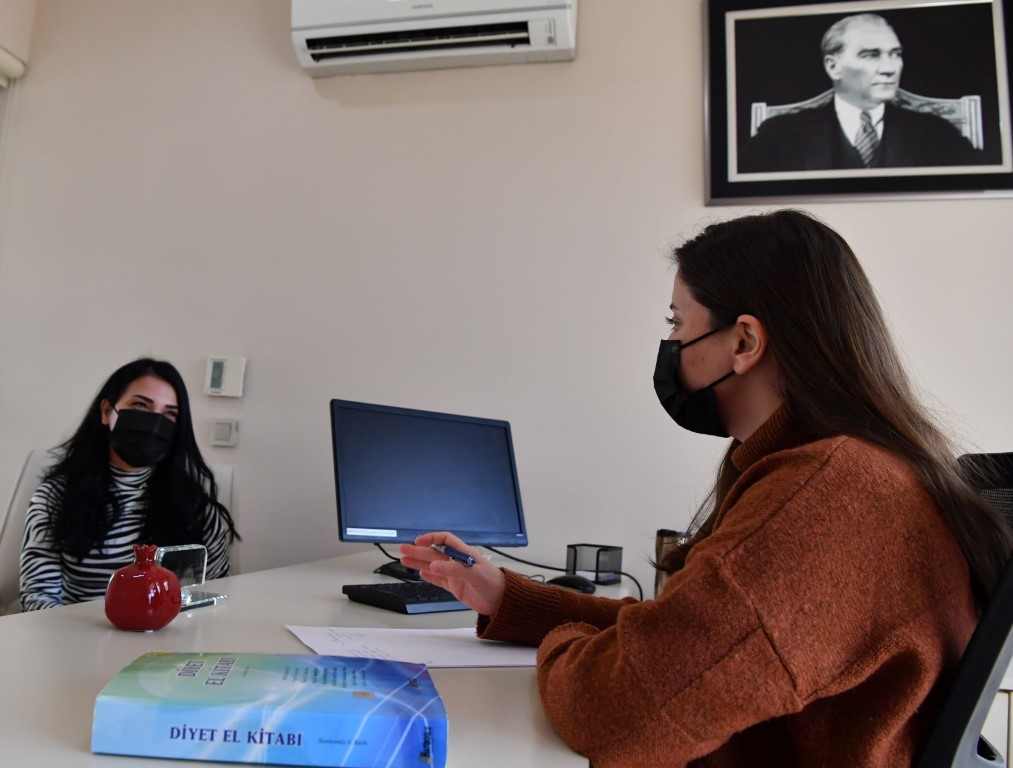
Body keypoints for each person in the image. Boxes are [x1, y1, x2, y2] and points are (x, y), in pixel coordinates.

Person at [398, 210, 1012, 767]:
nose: (670, 344)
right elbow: (689, 636)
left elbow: (615, 712)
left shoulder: (829, 496)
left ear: (744, 342)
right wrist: (511, 599)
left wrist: (563, 643)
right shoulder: (861, 471)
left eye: (677, 322)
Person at [20, 358, 240, 611]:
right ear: (107, 412)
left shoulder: (195, 505)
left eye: (169, 413)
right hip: (74, 631)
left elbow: (214, 594)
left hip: (170, 633)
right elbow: (38, 595)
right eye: (140, 405)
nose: (155, 423)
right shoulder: (55, 497)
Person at [739, 13, 983, 172]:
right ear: (833, 67)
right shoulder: (780, 135)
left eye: (895, 54)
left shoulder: (938, 134)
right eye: (871, 55)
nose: (889, 68)